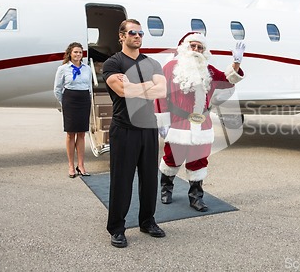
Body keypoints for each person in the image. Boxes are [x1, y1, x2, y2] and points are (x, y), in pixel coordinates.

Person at [155, 32, 245, 212]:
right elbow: (160, 95)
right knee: (172, 159)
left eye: (200, 47)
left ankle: (196, 197)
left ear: (204, 51)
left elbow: (228, 81)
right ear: (185, 48)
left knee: (199, 161)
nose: (196, 50)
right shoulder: (171, 67)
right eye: (193, 46)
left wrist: (236, 63)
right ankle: (166, 189)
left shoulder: (208, 69)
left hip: (202, 124)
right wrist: (163, 121)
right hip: (178, 123)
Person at [102, 19, 167, 248]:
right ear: (121, 36)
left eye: (140, 33)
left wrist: (135, 86)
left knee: (150, 179)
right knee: (122, 181)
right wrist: (146, 86)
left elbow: (162, 90)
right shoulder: (113, 63)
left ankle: (147, 221)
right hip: (124, 129)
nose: (137, 36)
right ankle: (117, 228)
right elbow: (122, 90)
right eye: (132, 32)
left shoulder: (152, 63)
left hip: (148, 128)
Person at [53, 42, 92, 178]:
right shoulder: (63, 69)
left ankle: (81, 165)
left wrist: (89, 100)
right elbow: (57, 89)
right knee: (70, 134)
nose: (78, 54)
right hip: (70, 101)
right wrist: (64, 103)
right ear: (70, 53)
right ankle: (71, 165)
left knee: (81, 133)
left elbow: (89, 87)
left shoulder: (87, 69)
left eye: (80, 52)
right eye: (75, 52)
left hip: (84, 100)